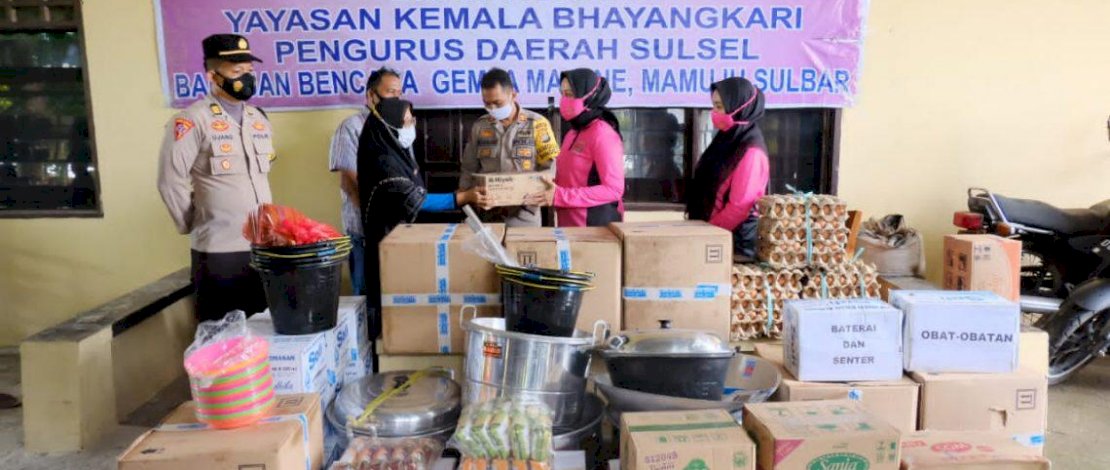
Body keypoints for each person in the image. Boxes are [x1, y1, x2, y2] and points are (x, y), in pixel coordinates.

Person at [157, 34, 273, 322]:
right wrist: (191, 222)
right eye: (237, 72)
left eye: (249, 71)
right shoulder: (192, 120)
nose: (246, 78)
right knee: (222, 345)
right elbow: (170, 180)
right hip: (220, 254)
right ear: (212, 75)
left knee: (262, 340)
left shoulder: (259, 118)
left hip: (263, 249)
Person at [357, 97, 487, 338]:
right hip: (386, 241)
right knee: (389, 303)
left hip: (400, 238)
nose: (411, 126)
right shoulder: (383, 161)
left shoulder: (396, 152)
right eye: (407, 121)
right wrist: (462, 197)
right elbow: (415, 199)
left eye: (412, 120)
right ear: (389, 126)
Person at [328, 67, 402, 295]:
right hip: (364, 230)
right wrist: (375, 221)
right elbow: (352, 182)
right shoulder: (351, 128)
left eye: (399, 93)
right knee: (366, 296)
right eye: (390, 92)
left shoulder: (398, 129)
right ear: (371, 96)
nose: (396, 99)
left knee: (392, 296)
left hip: (393, 228)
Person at [459, 68, 560, 227]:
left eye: (497, 103)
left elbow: (550, 168)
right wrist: (466, 197)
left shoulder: (537, 124)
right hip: (489, 213)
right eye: (487, 103)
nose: (492, 108)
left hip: (526, 213)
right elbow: (468, 168)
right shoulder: (480, 126)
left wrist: (535, 190)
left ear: (513, 95)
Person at [526, 68, 625, 227]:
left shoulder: (603, 135)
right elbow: (573, 178)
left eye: (570, 94)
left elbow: (613, 189)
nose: (564, 100)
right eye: (563, 93)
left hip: (594, 227)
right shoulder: (573, 132)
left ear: (590, 97)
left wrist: (560, 195)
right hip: (569, 226)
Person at [686, 77, 770, 258]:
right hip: (712, 235)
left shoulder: (751, 150)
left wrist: (707, 233)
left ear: (738, 107)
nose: (714, 112)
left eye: (719, 106)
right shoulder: (727, 139)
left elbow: (740, 207)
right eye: (713, 105)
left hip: (734, 244)